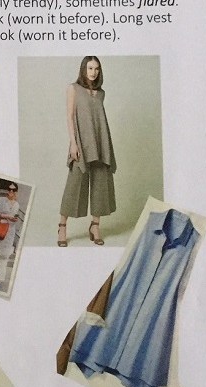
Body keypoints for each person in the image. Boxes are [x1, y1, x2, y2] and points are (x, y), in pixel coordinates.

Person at [57, 56, 116, 247]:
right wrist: (73, 143)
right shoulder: (73, 88)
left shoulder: (101, 93)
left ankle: (95, 226)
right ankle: (62, 227)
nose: (93, 72)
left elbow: (99, 119)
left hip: (100, 141)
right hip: (81, 142)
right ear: (83, 69)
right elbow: (69, 116)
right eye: (90, 68)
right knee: (74, 185)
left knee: (100, 185)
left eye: (97, 69)